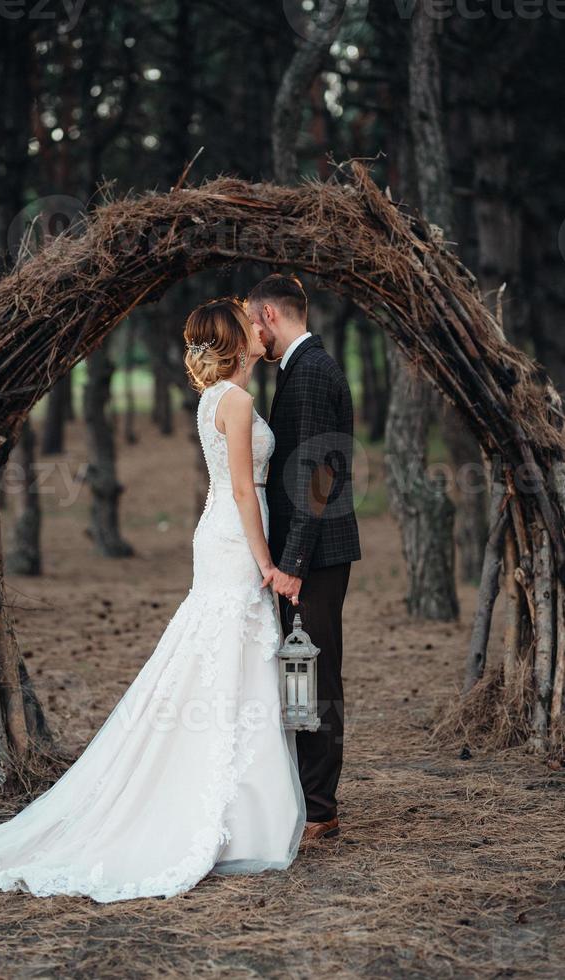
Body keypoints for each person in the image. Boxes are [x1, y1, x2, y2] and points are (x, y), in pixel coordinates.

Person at [0, 297, 305, 902]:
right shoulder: (237, 402)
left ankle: (237, 811)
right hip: (237, 535)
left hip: (216, 532)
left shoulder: (211, 399)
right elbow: (245, 489)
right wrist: (267, 561)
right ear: (235, 341)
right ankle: (231, 815)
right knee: (228, 656)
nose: (257, 329)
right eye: (249, 326)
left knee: (221, 655)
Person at [246, 274, 361, 842]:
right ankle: (305, 796)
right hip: (306, 552)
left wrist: (291, 563)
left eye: (250, 320)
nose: (249, 332)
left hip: (316, 555)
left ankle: (321, 809)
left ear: (269, 313)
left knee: (314, 676)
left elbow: (319, 475)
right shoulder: (297, 368)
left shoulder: (311, 370)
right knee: (300, 671)